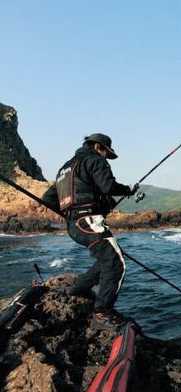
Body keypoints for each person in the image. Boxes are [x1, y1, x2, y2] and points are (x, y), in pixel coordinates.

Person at [42, 133, 138, 327]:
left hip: (74, 226)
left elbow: (48, 199)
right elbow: (108, 186)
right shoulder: (94, 160)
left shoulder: (65, 168)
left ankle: (79, 289)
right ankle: (102, 312)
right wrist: (128, 189)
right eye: (105, 152)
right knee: (115, 263)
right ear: (98, 147)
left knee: (105, 260)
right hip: (89, 222)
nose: (105, 157)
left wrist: (72, 213)